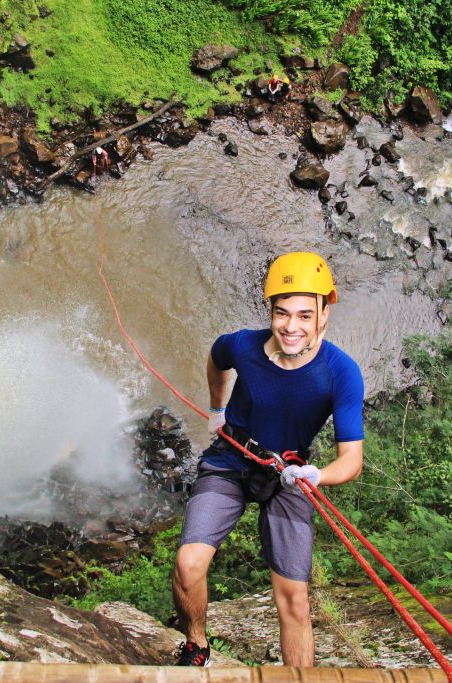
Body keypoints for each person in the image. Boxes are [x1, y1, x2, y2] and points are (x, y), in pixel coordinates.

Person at [172, 251, 365, 667]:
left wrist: (318, 474)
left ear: (323, 314)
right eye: (282, 314)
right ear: (270, 311)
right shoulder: (243, 346)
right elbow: (216, 357)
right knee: (189, 564)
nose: (291, 327)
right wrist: (216, 408)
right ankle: (196, 644)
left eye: (303, 315)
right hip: (231, 460)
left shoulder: (340, 372)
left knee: (295, 598)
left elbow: (351, 459)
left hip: (289, 476)